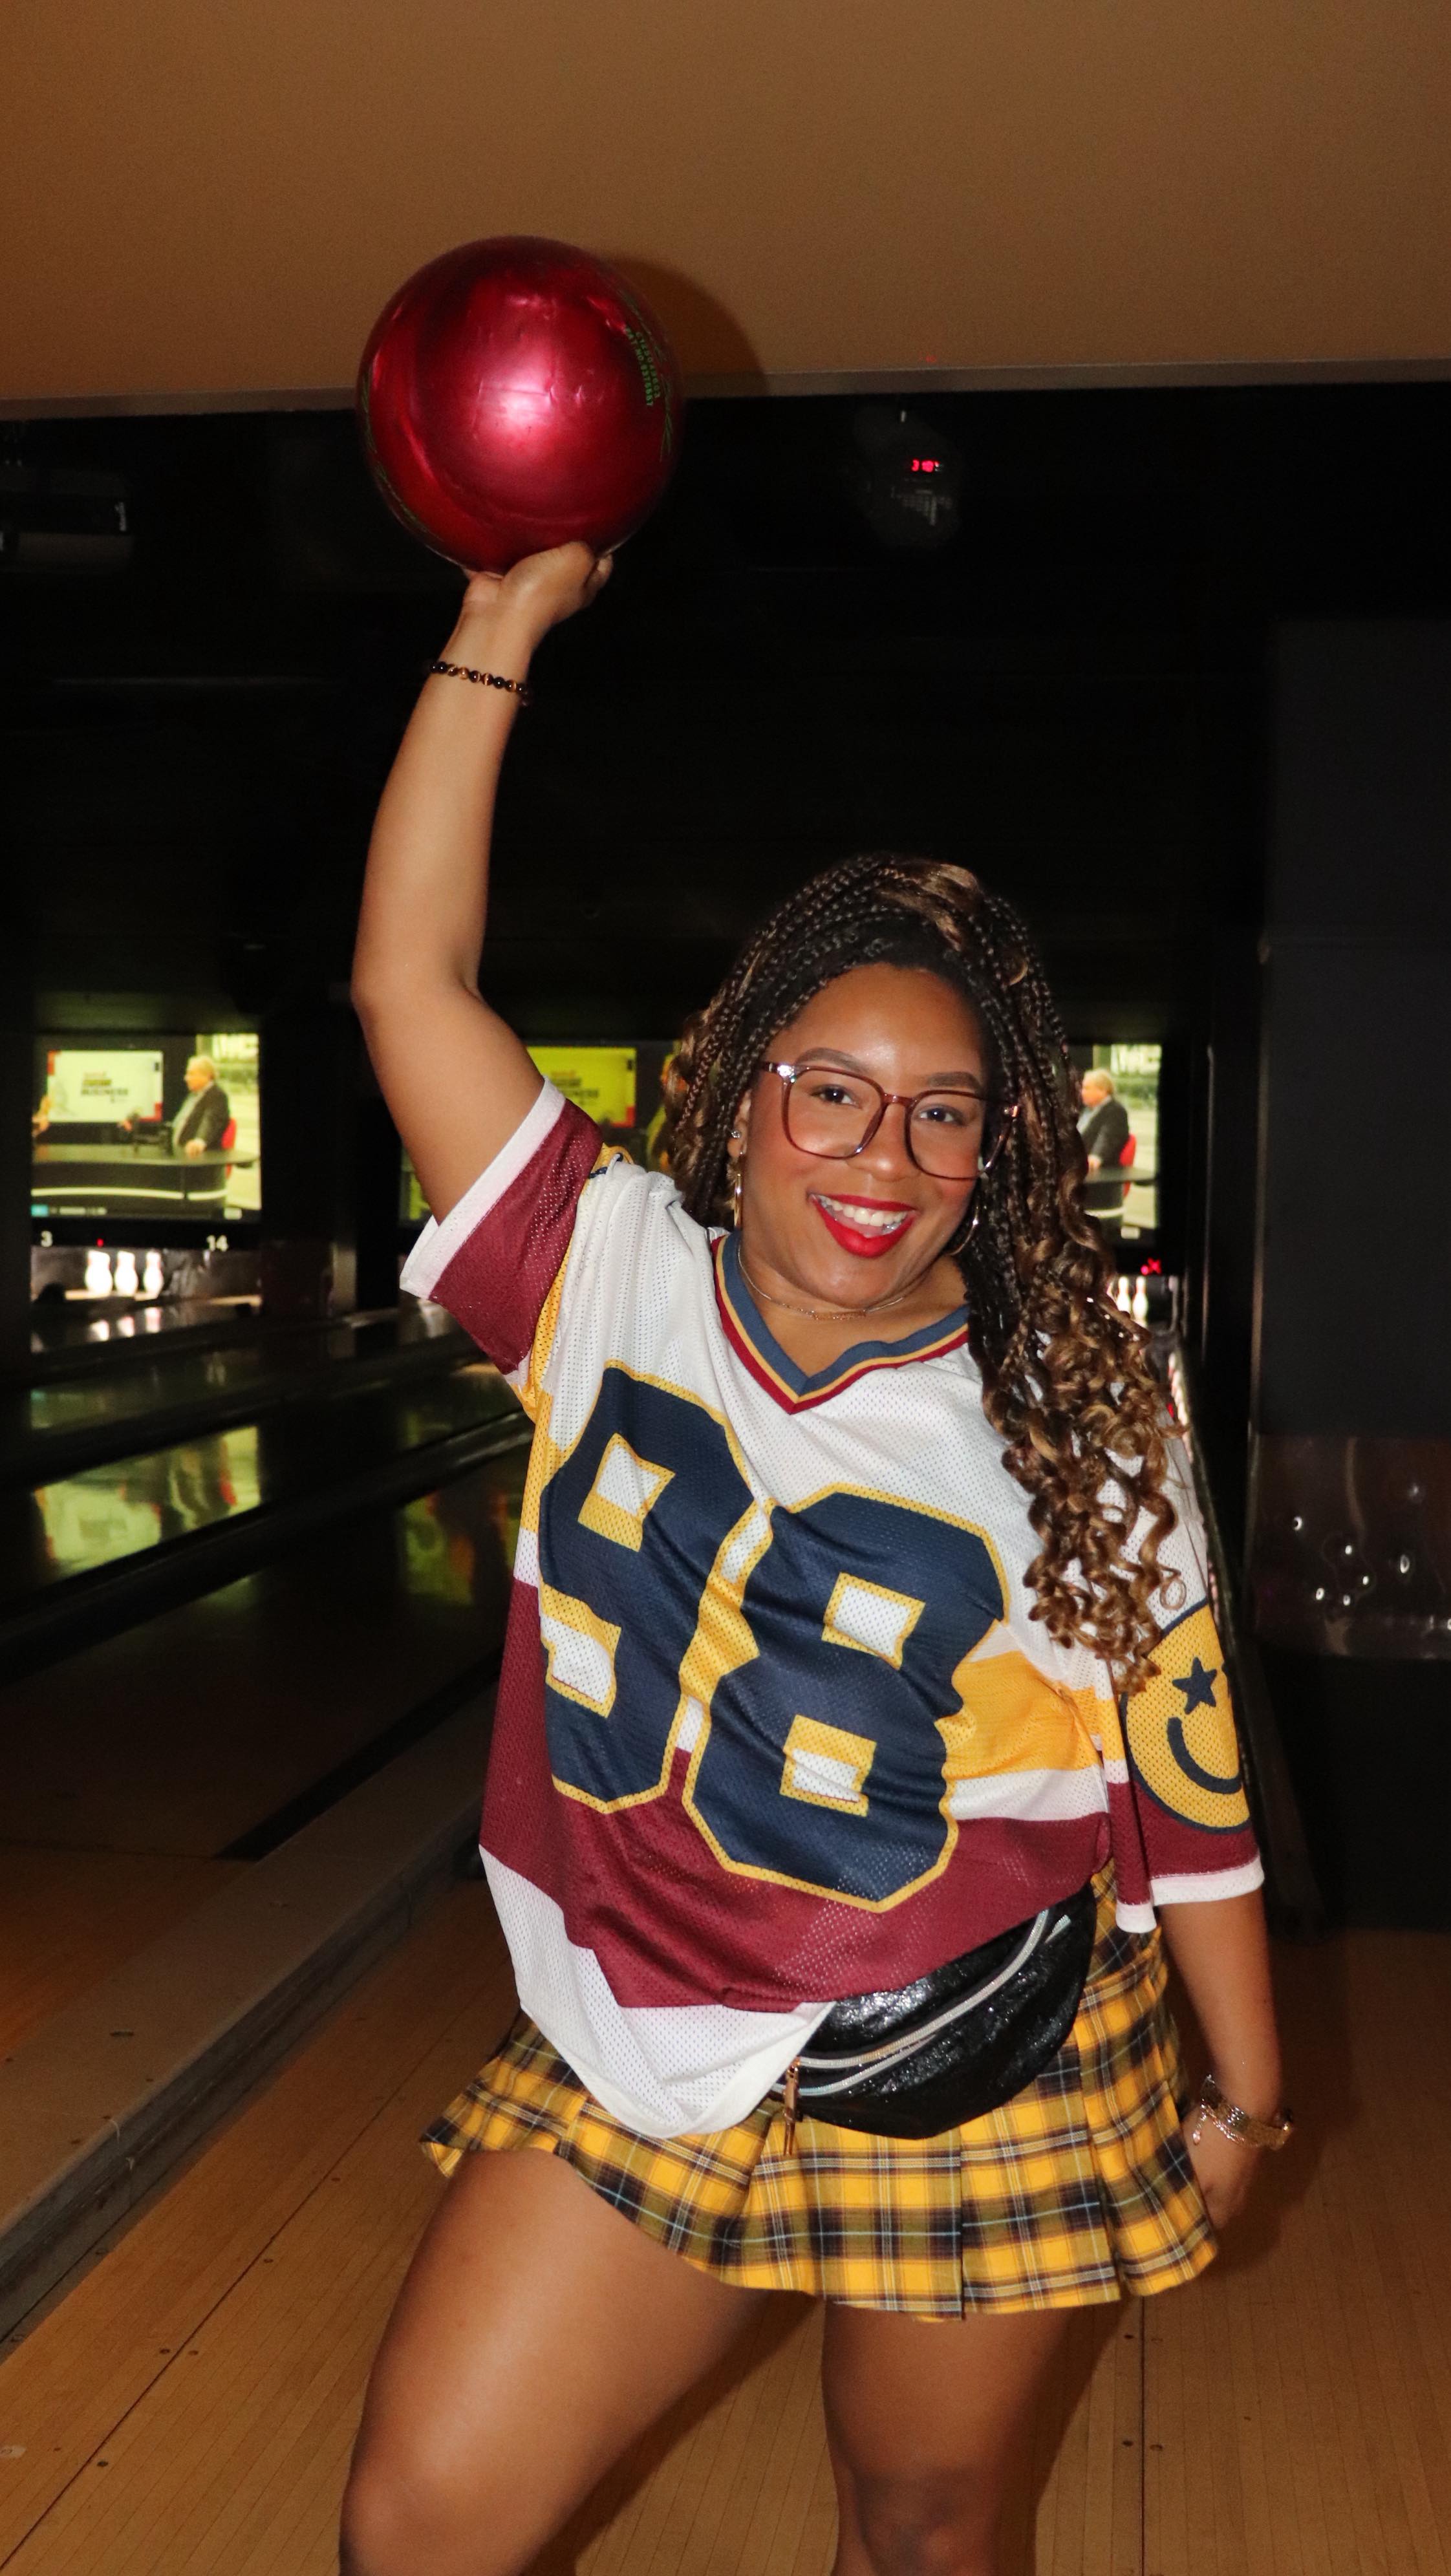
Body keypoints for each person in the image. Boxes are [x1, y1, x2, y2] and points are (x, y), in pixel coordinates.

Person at [341, 546, 1288, 2576]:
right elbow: (406, 978)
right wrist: (494, 634)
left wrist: (1248, 2091)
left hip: (991, 2047)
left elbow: (1183, 1772)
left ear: (995, 1151)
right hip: (646, 2032)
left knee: (923, 2534)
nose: (882, 1159)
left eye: (942, 1118)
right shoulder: (598, 1269)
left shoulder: (1084, 1400)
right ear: (741, 1087)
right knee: (417, 2526)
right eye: (835, 1096)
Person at [1078, 1067, 1132, 1236]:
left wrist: (1096, 1156)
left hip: (1102, 1186)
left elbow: (1108, 1138)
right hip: (1083, 1180)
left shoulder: (1116, 1111)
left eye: (1087, 1088)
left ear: (1102, 1090)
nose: (1082, 1092)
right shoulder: (1087, 1111)